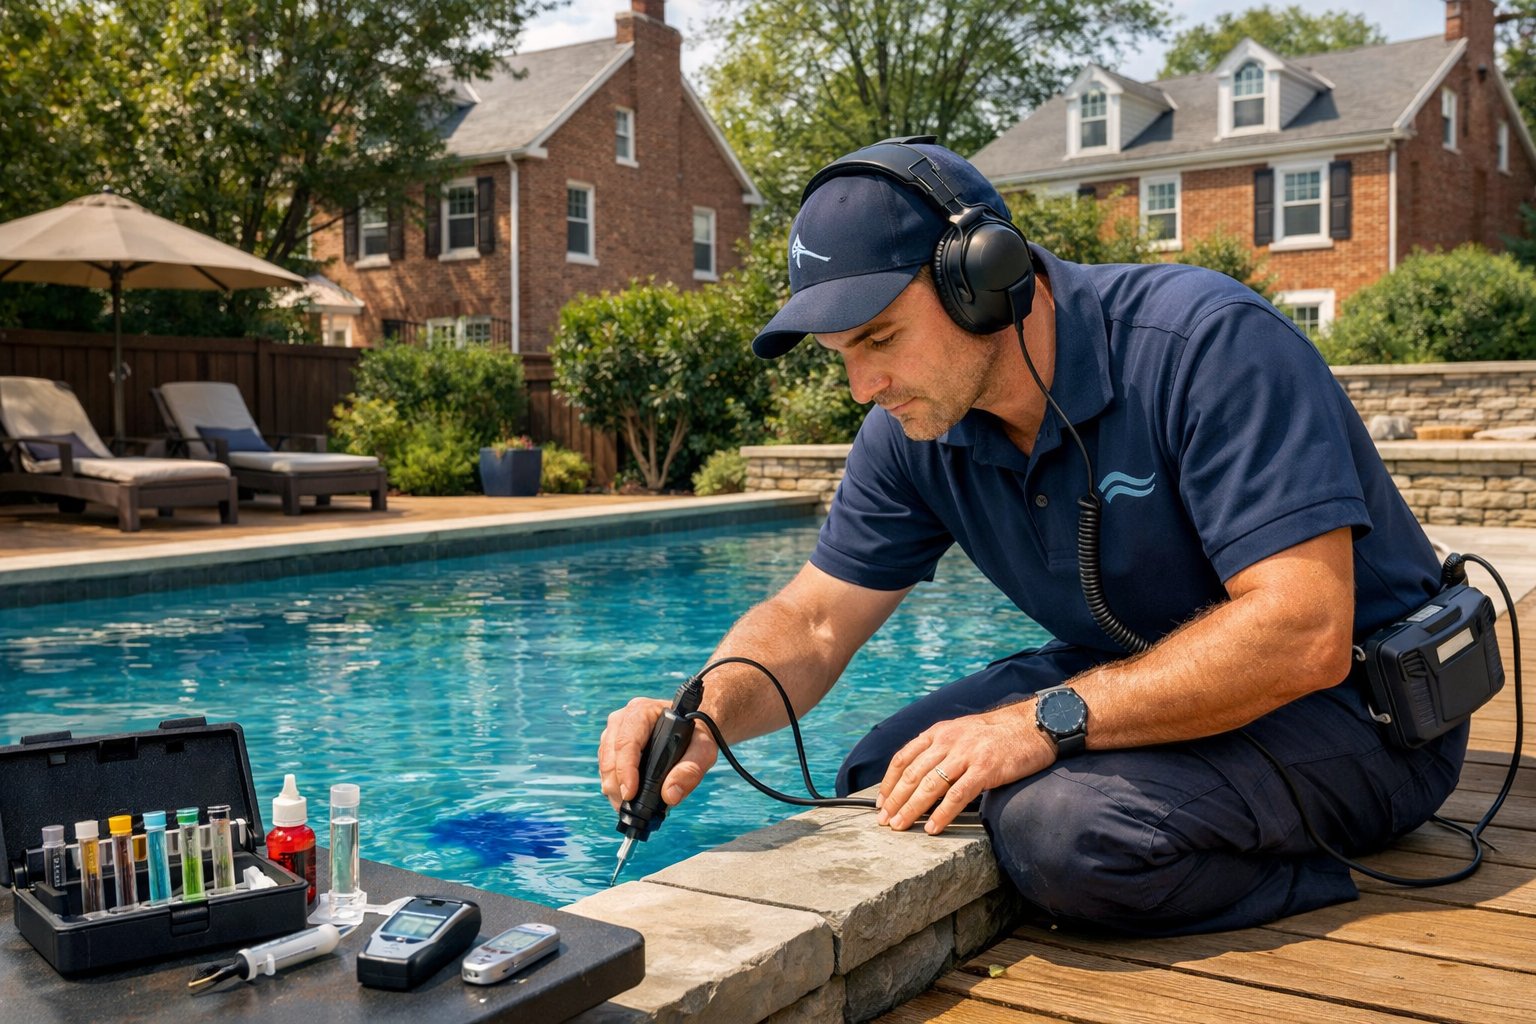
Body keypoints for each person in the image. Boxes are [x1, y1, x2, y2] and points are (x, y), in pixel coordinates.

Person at [597, 138, 1466, 936]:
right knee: (885, 775)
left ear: (985, 280)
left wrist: (1044, 725)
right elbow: (816, 622)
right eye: (840, 354)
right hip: (1141, 673)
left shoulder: (1207, 344)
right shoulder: (913, 431)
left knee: (1065, 834)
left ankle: (1302, 871)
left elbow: (1304, 631)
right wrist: (700, 713)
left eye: (881, 338)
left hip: (1363, 711)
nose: (864, 385)